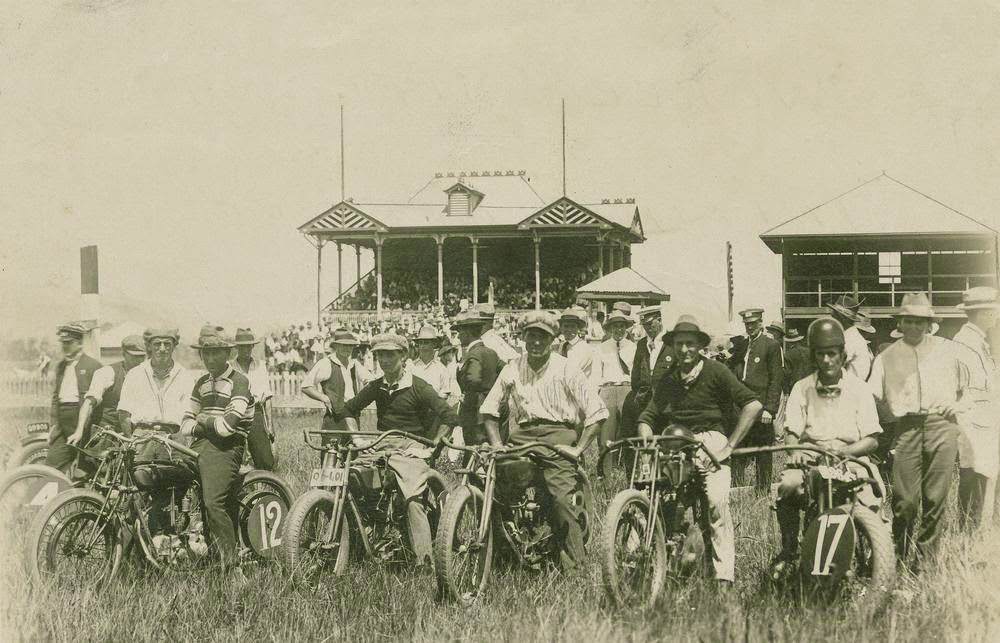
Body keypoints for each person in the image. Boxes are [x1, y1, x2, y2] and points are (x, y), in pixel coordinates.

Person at [636, 315, 762, 587]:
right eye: (679, 344)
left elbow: (752, 405)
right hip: (674, 442)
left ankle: (723, 577)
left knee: (717, 504)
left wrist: (729, 446)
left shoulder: (716, 371)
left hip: (710, 440)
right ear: (673, 346)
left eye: (690, 344)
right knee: (650, 496)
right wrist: (647, 441)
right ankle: (646, 563)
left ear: (700, 346)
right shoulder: (668, 381)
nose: (684, 351)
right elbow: (647, 417)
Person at [479, 311, 608, 572]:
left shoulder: (567, 368)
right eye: (531, 336)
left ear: (552, 339)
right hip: (522, 437)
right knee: (490, 485)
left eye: (542, 337)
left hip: (559, 436)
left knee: (561, 500)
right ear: (523, 338)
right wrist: (495, 444)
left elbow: (598, 412)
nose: (536, 342)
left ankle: (575, 569)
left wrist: (578, 448)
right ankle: (503, 555)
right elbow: (488, 411)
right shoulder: (512, 367)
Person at [330, 333, 459, 567]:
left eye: (390, 354)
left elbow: (449, 416)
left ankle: (424, 561)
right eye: (380, 355)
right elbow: (348, 410)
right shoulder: (377, 386)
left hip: (411, 447)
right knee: (350, 480)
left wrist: (430, 450)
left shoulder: (419, 386)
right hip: (381, 445)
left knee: (412, 499)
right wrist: (357, 439)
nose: (385, 360)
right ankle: (357, 547)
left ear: (404, 355)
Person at [771, 318, 883, 570]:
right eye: (820, 354)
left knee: (870, 499)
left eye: (832, 354)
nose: (826, 360)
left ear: (842, 355)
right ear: (813, 356)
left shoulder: (860, 389)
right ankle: (789, 549)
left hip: (850, 457)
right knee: (788, 485)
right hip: (812, 454)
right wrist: (796, 450)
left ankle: (875, 558)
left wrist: (845, 451)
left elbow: (872, 439)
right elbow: (791, 431)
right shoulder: (802, 388)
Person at [869, 293, 971, 565]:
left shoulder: (948, 350)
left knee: (935, 499)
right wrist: (890, 422)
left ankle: (924, 563)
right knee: (904, 501)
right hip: (907, 428)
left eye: (920, 321)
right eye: (908, 321)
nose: (914, 326)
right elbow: (871, 395)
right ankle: (897, 560)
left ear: (929, 324)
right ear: (900, 323)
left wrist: (956, 406)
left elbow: (971, 388)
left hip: (942, 426)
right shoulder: (887, 356)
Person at [178, 325, 255, 581]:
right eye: (206, 354)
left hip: (228, 448)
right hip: (201, 445)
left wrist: (202, 421)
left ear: (226, 353)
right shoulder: (200, 383)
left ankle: (233, 568)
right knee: (170, 478)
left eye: (215, 353)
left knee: (213, 502)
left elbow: (227, 428)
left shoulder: (239, 382)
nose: (210, 359)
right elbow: (185, 424)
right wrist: (204, 422)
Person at [951, 287, 999, 529]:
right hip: (972, 420)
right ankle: (968, 531)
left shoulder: (977, 341)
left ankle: (974, 529)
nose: (995, 316)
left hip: (984, 420)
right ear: (983, 313)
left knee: (982, 474)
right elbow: (960, 387)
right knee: (973, 476)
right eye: (992, 312)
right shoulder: (965, 344)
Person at [731, 307, 783, 492]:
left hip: (761, 408)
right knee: (738, 450)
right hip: (741, 408)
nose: (750, 327)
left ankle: (762, 491)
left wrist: (770, 408)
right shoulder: (743, 346)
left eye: (753, 324)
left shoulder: (771, 345)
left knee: (763, 452)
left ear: (760, 323)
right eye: (747, 324)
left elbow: (776, 379)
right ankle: (736, 491)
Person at [67, 335, 147, 448]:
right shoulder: (107, 373)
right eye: (134, 357)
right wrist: (79, 431)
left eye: (142, 357)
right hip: (105, 435)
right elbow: (88, 403)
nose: (139, 361)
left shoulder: (146, 376)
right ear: (124, 354)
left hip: (132, 437)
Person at [46, 323, 104, 472]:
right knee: (52, 465)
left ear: (79, 343)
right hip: (62, 423)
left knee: (86, 469)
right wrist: (53, 424)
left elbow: (96, 400)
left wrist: (88, 429)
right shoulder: (60, 366)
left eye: (69, 343)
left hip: (84, 423)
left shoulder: (93, 366)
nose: (64, 347)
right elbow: (55, 398)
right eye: (63, 343)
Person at [301, 329, 368, 452]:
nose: (346, 349)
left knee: (352, 458)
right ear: (336, 346)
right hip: (334, 418)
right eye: (343, 345)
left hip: (353, 416)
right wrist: (323, 397)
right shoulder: (326, 363)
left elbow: (370, 380)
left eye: (349, 346)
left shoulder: (355, 364)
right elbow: (306, 386)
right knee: (330, 457)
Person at [596, 304, 636, 476]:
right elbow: (596, 375)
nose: (619, 329)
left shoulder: (634, 348)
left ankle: (628, 471)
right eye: (615, 326)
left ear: (626, 328)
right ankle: (606, 473)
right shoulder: (601, 348)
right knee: (607, 434)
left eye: (622, 326)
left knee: (628, 432)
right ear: (610, 328)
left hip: (627, 389)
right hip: (608, 389)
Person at [452, 310, 501, 446]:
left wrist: (466, 396)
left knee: (474, 448)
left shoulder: (473, 354)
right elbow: (503, 372)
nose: (459, 337)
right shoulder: (491, 352)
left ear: (467, 333)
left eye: (460, 333)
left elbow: (473, 380)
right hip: (492, 408)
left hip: (474, 411)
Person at [231, 328, 276, 471]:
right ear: (237, 347)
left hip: (255, 412)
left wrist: (270, 425)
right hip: (234, 413)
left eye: (249, 346)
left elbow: (267, 397)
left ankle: (265, 488)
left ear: (252, 346)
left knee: (265, 459)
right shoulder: (230, 367)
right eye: (242, 346)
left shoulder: (260, 366)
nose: (246, 349)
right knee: (236, 458)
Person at [826, 295, 873, 381]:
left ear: (842, 318)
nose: (832, 319)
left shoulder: (851, 339)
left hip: (851, 389)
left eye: (834, 317)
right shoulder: (849, 336)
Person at [558, 306, 600, 388]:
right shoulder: (562, 346)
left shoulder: (585, 349)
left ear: (578, 328)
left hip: (580, 391)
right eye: (566, 326)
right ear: (561, 328)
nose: (569, 330)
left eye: (572, 326)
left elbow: (572, 373)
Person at [407, 325, 452, 399]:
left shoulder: (441, 369)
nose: (423, 346)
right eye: (421, 343)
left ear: (434, 344)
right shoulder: (411, 366)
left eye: (426, 343)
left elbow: (445, 393)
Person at [782, 328, 811, 393]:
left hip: (795, 387)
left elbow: (786, 375)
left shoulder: (788, 355)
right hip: (810, 385)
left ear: (789, 342)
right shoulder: (809, 351)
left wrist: (786, 391)